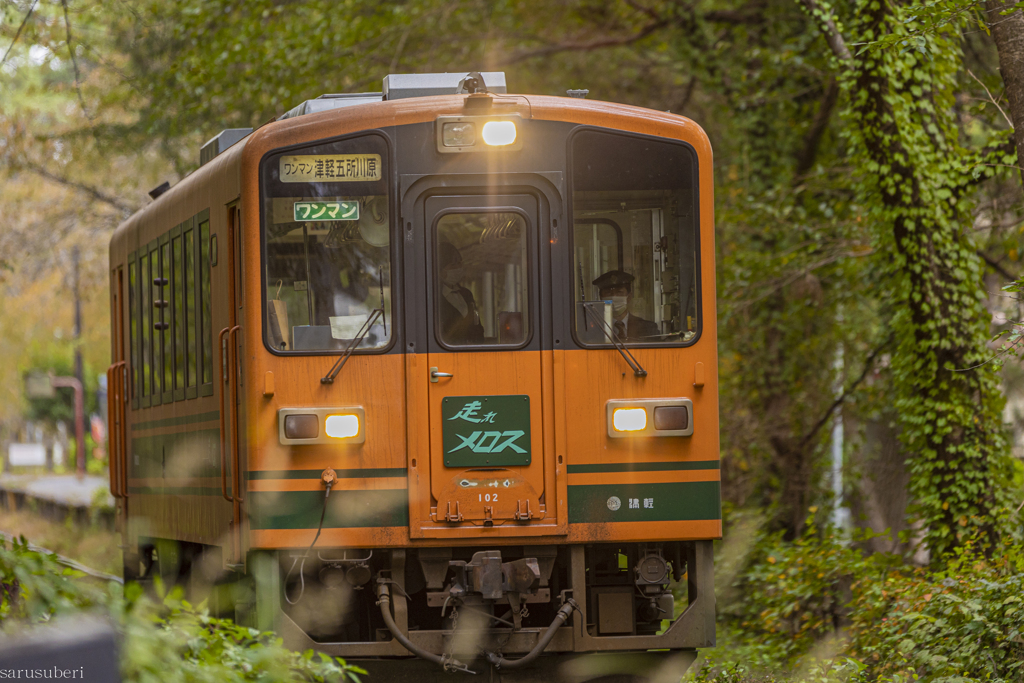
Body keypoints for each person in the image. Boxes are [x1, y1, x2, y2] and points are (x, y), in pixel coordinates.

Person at [592, 269, 659, 340]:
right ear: (601, 298)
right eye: (608, 293)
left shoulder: (648, 328)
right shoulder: (594, 329)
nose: (614, 296)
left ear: (629, 297)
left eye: (619, 292)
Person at [438, 242, 484, 344]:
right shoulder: (435, 298)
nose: (459, 267)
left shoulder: (466, 294)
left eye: (460, 263)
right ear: (440, 270)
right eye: (453, 265)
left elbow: (477, 325)